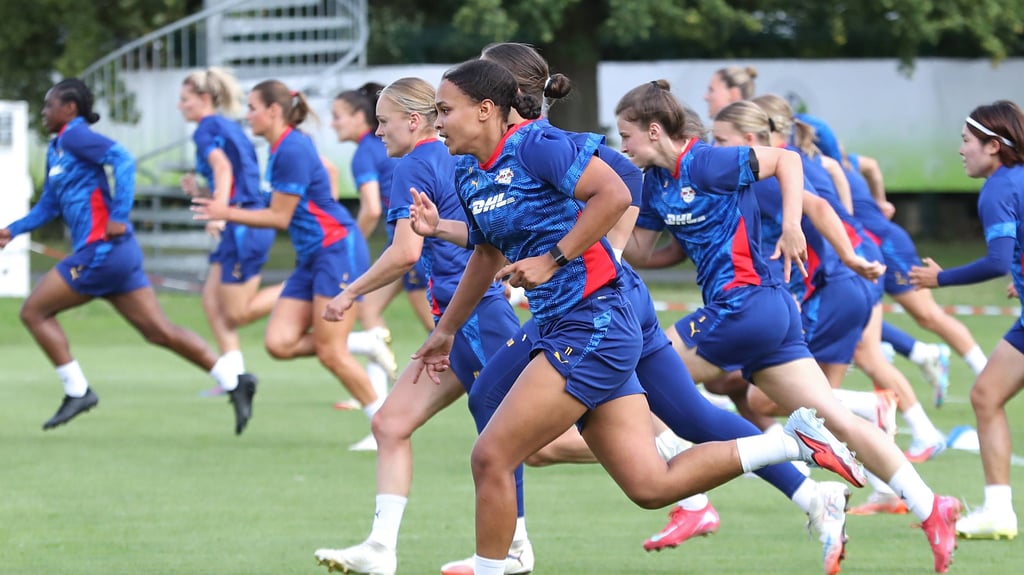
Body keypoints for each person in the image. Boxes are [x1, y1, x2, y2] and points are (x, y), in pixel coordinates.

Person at [412, 59, 864, 575]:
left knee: (490, 454)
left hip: (595, 318)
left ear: (486, 108)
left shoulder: (537, 144)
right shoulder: (469, 169)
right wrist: (445, 330)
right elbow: (488, 252)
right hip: (569, 318)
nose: (436, 121)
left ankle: (504, 559)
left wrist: (555, 257)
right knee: (651, 486)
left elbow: (619, 189)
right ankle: (790, 441)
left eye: (444, 110)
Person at [616, 80, 961, 574]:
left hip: (746, 306)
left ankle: (696, 503)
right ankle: (932, 508)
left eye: (625, 134)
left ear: (653, 131)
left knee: (636, 368)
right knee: (833, 420)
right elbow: (643, 251)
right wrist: (589, 216)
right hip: (764, 315)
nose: (621, 144)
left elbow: (788, 162)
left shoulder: (707, 160)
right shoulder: (654, 184)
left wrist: (793, 224)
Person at [312, 77, 525, 575]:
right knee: (390, 423)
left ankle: (661, 445)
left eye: (384, 122)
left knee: (528, 443)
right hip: (455, 324)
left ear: (413, 121)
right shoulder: (460, 154)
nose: (378, 131)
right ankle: (380, 549)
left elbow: (405, 252)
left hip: (474, 320)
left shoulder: (411, 163)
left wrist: (348, 292)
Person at [0, 78, 254, 434]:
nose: (44, 112)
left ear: (69, 109)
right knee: (159, 332)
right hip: (116, 255)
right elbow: (49, 205)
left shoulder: (75, 135)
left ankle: (78, 390)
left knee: (34, 311)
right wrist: (13, 229)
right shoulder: (58, 147)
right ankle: (235, 380)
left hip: (101, 252)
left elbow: (123, 159)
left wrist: (119, 216)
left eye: (49, 105)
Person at [753, 95, 949, 464]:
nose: (718, 148)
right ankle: (904, 452)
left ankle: (873, 420)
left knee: (773, 393)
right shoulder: (806, 158)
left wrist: (842, 251)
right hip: (858, 258)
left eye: (724, 137)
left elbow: (823, 207)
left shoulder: (775, 168)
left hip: (847, 269)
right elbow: (837, 176)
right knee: (863, 361)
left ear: (758, 131)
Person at [191, 80, 379, 450]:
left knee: (330, 353)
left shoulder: (291, 147)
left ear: (273, 111)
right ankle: (363, 341)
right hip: (312, 255)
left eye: (252, 108)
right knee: (278, 343)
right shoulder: (280, 147)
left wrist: (224, 212)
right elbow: (320, 175)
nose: (247, 116)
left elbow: (279, 217)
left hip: (334, 251)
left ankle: (383, 425)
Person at [910, 100, 1024, 541]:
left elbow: (996, 261)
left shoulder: (998, 189)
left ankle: (999, 510)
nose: (961, 150)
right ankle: (998, 511)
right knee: (986, 395)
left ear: (993, 146)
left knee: (986, 396)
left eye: (966, 141)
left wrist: (941, 278)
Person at [176, 67, 282, 397]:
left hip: (244, 226)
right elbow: (236, 177)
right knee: (211, 302)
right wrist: (205, 195)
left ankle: (303, 285)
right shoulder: (226, 127)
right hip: (240, 219)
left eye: (185, 100)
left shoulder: (206, 129)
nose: (180, 106)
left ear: (205, 99)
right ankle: (234, 378)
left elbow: (223, 169)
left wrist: (217, 210)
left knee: (236, 313)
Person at [331, 83, 433, 369]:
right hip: (404, 244)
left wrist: (350, 244)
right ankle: (374, 395)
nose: (332, 123)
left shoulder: (367, 153)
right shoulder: (395, 150)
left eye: (337, 116)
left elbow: (371, 208)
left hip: (411, 247)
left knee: (438, 331)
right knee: (369, 309)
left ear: (358, 117)